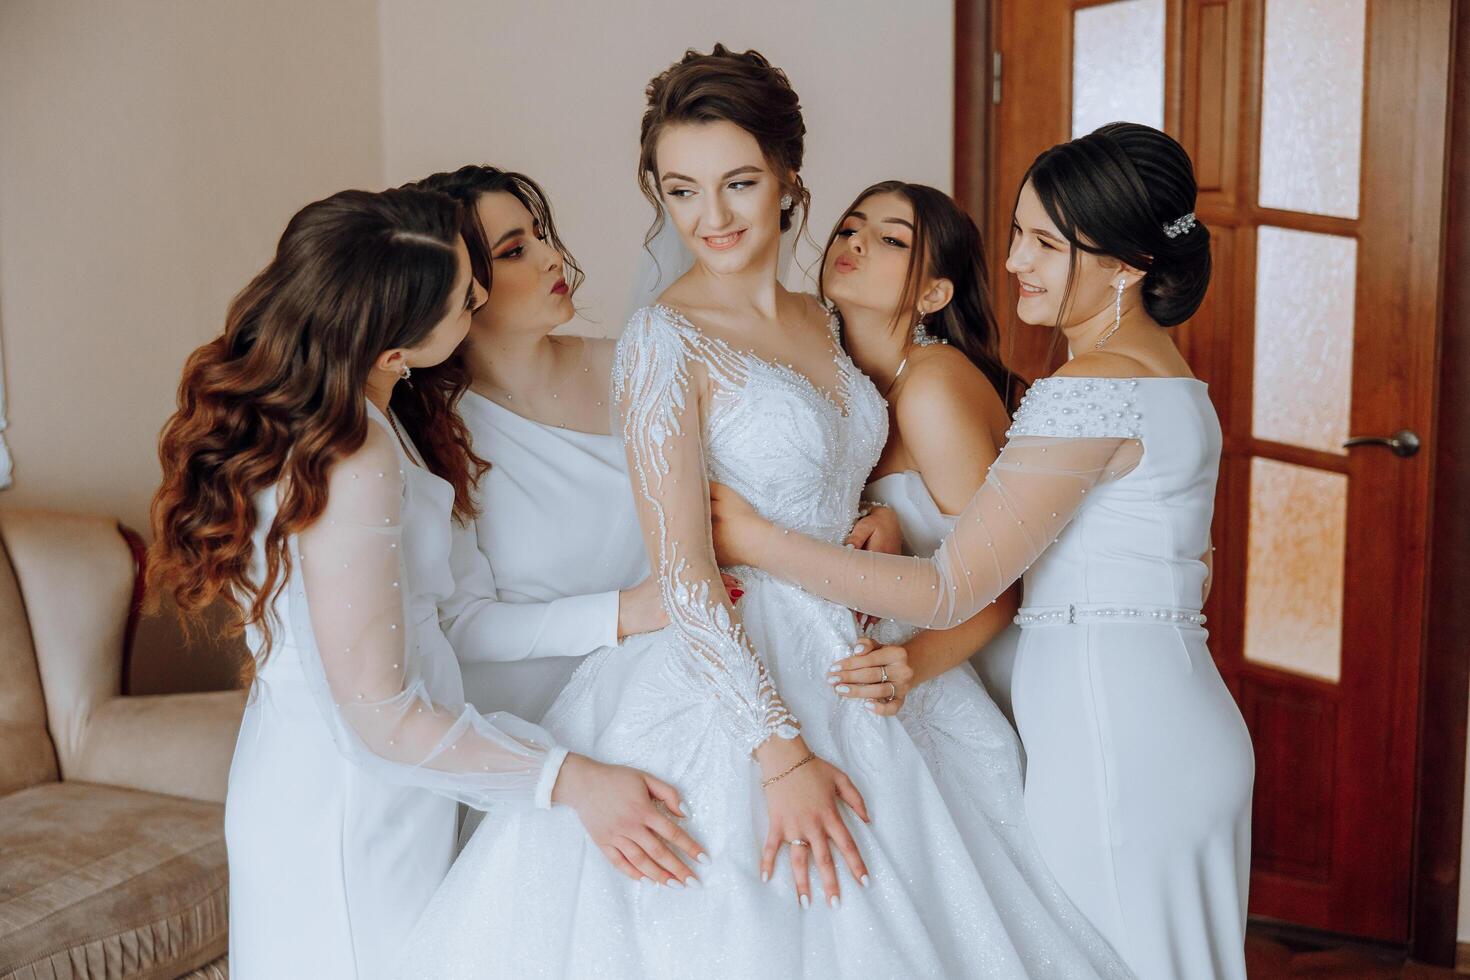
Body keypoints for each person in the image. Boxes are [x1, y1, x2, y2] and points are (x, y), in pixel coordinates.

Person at [396, 47, 1130, 979]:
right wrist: (779, 758)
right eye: (682, 190)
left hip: (861, 643)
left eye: (739, 183)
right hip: (733, 672)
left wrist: (883, 520)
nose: (713, 218)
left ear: (787, 179)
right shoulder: (662, 340)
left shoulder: (823, 319)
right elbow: (685, 572)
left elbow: (842, 471)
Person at [710, 123, 1255, 979]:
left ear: (1125, 265)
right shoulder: (1171, 385)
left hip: (1111, 723)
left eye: (1045, 243)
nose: (1014, 264)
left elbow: (952, 586)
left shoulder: (1094, 389)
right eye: (1018, 236)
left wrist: (752, 540)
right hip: (1169, 707)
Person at [148, 187, 705, 979]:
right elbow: (379, 719)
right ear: (392, 349)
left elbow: (445, 620)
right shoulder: (353, 458)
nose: (478, 302)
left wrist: (624, 613)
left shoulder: (360, 422)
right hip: (349, 803)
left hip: (381, 781)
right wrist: (567, 779)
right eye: (460, 299)